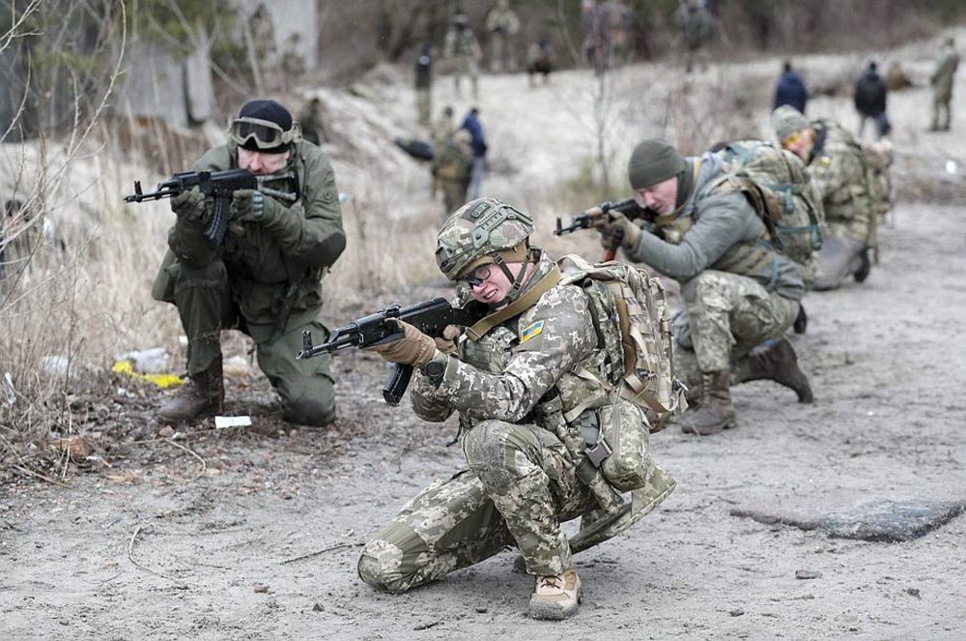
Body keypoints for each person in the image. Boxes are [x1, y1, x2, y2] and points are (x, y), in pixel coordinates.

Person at [357, 197, 674, 619]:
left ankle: (554, 573)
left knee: (488, 438)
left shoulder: (563, 307)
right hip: (505, 475)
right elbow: (429, 412)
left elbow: (510, 399)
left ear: (513, 253)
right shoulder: (479, 310)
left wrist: (429, 358)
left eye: (480, 273)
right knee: (382, 565)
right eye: (465, 280)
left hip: (577, 468)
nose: (475, 288)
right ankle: (525, 529)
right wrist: (438, 355)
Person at [594, 139, 813, 436]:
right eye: (641, 193)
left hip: (773, 299)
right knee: (668, 385)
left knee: (703, 286)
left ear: (674, 175)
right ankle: (768, 363)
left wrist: (634, 235)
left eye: (652, 190)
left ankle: (719, 403)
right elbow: (659, 247)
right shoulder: (680, 201)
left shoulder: (726, 201)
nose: (647, 201)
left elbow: (687, 262)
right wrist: (627, 236)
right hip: (727, 302)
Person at [151, 99, 346, 427]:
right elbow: (191, 258)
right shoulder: (213, 166)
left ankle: (288, 369)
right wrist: (191, 220)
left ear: (288, 151)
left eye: (265, 156)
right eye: (247, 153)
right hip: (225, 292)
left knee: (313, 409)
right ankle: (204, 387)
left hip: (285, 305)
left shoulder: (311, 167)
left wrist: (274, 215)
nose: (253, 165)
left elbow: (330, 245)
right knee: (191, 270)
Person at [771, 105, 877, 292]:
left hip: (847, 228)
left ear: (807, 130)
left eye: (794, 138)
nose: (793, 146)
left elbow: (809, 193)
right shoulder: (810, 148)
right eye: (786, 144)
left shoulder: (835, 152)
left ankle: (857, 261)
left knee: (815, 278)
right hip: (820, 225)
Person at [443, 11, 483, 99]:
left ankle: (475, 92)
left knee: (474, 74)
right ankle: (457, 92)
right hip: (458, 56)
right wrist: (448, 56)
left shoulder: (468, 33)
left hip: (469, 56)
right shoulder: (452, 35)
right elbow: (449, 46)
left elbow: (474, 44)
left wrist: (477, 53)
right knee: (457, 75)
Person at [929, 36, 960, 132]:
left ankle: (935, 123)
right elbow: (955, 69)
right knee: (946, 102)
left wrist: (933, 77)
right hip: (950, 80)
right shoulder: (956, 54)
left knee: (936, 102)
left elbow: (939, 68)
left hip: (941, 81)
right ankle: (947, 122)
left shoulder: (946, 54)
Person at [853, 61, 889, 140]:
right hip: (876, 109)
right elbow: (883, 97)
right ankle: (878, 141)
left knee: (861, 128)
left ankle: (859, 139)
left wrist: (857, 107)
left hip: (864, 108)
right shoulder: (880, 81)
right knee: (877, 129)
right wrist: (882, 109)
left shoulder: (861, 80)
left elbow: (857, 95)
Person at [484, 0, 520, 73]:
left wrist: (509, 30)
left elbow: (515, 25)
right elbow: (489, 24)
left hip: (508, 36)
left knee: (510, 51)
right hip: (497, 36)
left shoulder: (510, 14)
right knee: (496, 52)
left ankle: (511, 68)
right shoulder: (494, 14)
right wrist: (495, 28)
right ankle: (496, 68)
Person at [460, 107, 487, 200]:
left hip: (466, 156)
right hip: (477, 153)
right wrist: (483, 147)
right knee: (477, 177)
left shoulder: (464, 122)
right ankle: (474, 198)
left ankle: (467, 197)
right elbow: (478, 137)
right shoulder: (474, 122)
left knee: (469, 178)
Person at [414, 43, 433, 127]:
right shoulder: (424, 58)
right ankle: (423, 119)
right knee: (424, 102)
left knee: (425, 102)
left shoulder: (425, 58)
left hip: (424, 83)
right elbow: (423, 70)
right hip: (423, 83)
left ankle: (425, 118)